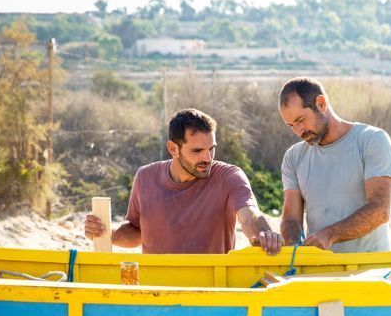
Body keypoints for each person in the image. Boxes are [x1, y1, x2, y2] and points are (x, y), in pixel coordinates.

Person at [84, 108, 283, 255]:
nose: (208, 157)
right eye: (197, 151)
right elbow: (137, 232)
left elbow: (249, 216)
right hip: (156, 290)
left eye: (211, 148)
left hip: (211, 289)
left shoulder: (228, 177)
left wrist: (265, 234)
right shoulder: (145, 177)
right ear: (173, 149)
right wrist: (106, 232)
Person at [278, 77, 391, 253]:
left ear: (321, 103)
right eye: (291, 126)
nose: (298, 131)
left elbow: (380, 209)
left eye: (301, 120)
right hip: (319, 271)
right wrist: (293, 247)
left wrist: (330, 234)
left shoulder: (372, 140)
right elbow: (291, 218)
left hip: (371, 270)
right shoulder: (293, 157)